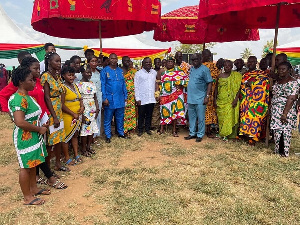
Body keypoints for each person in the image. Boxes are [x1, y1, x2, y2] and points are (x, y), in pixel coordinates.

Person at [8, 67, 49, 205]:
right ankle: (27, 197)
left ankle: (34, 188)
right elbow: (19, 122)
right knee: (25, 166)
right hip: (25, 137)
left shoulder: (27, 96)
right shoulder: (18, 99)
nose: (34, 82)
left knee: (32, 163)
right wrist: (39, 129)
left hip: (33, 135)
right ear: (20, 81)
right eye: (31, 80)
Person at [41, 52, 67, 171]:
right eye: (56, 61)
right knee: (50, 141)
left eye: (60, 61)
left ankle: (58, 164)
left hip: (58, 109)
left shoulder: (58, 76)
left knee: (59, 139)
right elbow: (46, 97)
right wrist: (54, 116)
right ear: (49, 62)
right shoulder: (46, 76)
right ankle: (48, 169)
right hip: (51, 111)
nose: (59, 64)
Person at [239, 56, 270, 145]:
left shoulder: (262, 74)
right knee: (245, 117)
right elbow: (241, 86)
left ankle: (254, 137)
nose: (250, 63)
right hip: (246, 100)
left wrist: (252, 83)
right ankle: (245, 134)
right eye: (249, 62)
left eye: (252, 62)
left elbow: (264, 83)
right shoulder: (245, 74)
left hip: (257, 101)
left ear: (256, 63)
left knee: (255, 118)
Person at [271, 62, 299, 157]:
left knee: (285, 130)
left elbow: (291, 98)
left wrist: (285, 114)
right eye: (279, 69)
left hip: (286, 110)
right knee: (277, 130)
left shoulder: (293, 82)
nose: (280, 71)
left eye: (283, 69)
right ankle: (277, 150)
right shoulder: (279, 81)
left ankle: (284, 152)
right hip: (276, 110)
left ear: (289, 70)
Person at [184, 53, 212, 142]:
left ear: (200, 59)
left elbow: (210, 83)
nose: (194, 61)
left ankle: (200, 134)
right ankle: (192, 133)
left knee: (200, 118)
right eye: (192, 60)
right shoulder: (191, 69)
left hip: (201, 98)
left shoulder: (205, 69)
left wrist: (207, 96)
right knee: (191, 117)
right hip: (191, 97)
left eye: (196, 59)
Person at [101, 53, 127, 143]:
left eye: (115, 58)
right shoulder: (105, 71)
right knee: (108, 118)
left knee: (120, 117)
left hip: (120, 98)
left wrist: (125, 96)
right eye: (112, 58)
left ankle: (121, 133)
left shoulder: (120, 71)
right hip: (109, 99)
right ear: (109, 59)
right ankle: (108, 135)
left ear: (117, 60)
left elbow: (123, 84)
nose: (113, 60)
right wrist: (104, 98)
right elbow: (103, 85)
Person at [159, 56, 188, 136]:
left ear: (174, 63)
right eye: (168, 62)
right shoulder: (163, 73)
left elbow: (186, 80)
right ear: (165, 63)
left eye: (171, 62)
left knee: (174, 112)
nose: (170, 63)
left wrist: (181, 85)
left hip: (176, 95)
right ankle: (162, 129)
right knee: (164, 111)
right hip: (165, 95)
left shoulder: (179, 71)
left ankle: (174, 130)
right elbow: (160, 83)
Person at [61, 66, 84, 164]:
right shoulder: (62, 87)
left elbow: (80, 98)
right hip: (68, 115)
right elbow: (61, 104)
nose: (71, 77)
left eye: (72, 75)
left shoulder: (75, 86)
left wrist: (82, 107)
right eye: (69, 75)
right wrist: (72, 113)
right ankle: (67, 158)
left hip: (77, 115)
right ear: (63, 76)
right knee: (66, 137)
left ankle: (76, 154)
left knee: (75, 135)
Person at [214, 60, 242, 141]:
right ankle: (222, 133)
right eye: (225, 65)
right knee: (222, 118)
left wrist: (236, 99)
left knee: (230, 117)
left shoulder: (236, 76)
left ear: (232, 66)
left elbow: (239, 89)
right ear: (223, 66)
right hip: (221, 100)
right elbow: (216, 89)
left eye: (229, 65)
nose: (227, 67)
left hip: (231, 101)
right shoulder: (219, 76)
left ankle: (230, 135)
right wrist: (214, 100)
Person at [78, 65, 100, 156]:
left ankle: (88, 147)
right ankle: (83, 149)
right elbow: (79, 99)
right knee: (84, 129)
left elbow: (95, 97)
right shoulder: (79, 85)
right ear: (82, 73)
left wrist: (97, 108)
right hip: (84, 109)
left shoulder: (92, 83)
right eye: (87, 72)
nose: (89, 74)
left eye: (90, 72)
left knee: (91, 129)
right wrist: (81, 113)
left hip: (92, 108)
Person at [135, 57, 157, 136]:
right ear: (143, 64)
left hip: (151, 98)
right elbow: (136, 86)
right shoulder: (138, 73)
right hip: (142, 98)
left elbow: (155, 84)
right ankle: (140, 130)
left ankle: (147, 129)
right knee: (141, 115)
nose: (148, 64)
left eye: (149, 62)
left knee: (149, 115)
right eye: (146, 62)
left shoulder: (154, 72)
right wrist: (137, 98)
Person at [202, 49, 219, 138]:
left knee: (207, 111)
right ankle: (207, 131)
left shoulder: (204, 66)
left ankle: (207, 130)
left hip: (207, 92)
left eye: (203, 55)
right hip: (210, 92)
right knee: (208, 112)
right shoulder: (214, 67)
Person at [121, 56, 137, 136]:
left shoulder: (133, 71)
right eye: (125, 61)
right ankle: (123, 130)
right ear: (122, 62)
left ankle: (131, 128)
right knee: (123, 113)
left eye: (128, 60)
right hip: (122, 96)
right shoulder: (119, 71)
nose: (127, 62)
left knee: (131, 112)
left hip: (132, 96)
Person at [89, 55, 102, 138]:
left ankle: (96, 135)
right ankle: (90, 135)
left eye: (95, 61)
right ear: (88, 62)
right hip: (89, 98)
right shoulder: (86, 72)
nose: (94, 63)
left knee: (98, 115)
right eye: (92, 61)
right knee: (91, 116)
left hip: (99, 97)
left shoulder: (98, 72)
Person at [152, 58, 165, 130]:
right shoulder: (152, 71)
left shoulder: (163, 71)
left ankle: (162, 125)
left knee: (162, 109)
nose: (158, 63)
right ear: (154, 63)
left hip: (163, 92)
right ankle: (155, 125)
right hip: (153, 92)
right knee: (155, 109)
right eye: (156, 62)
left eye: (159, 62)